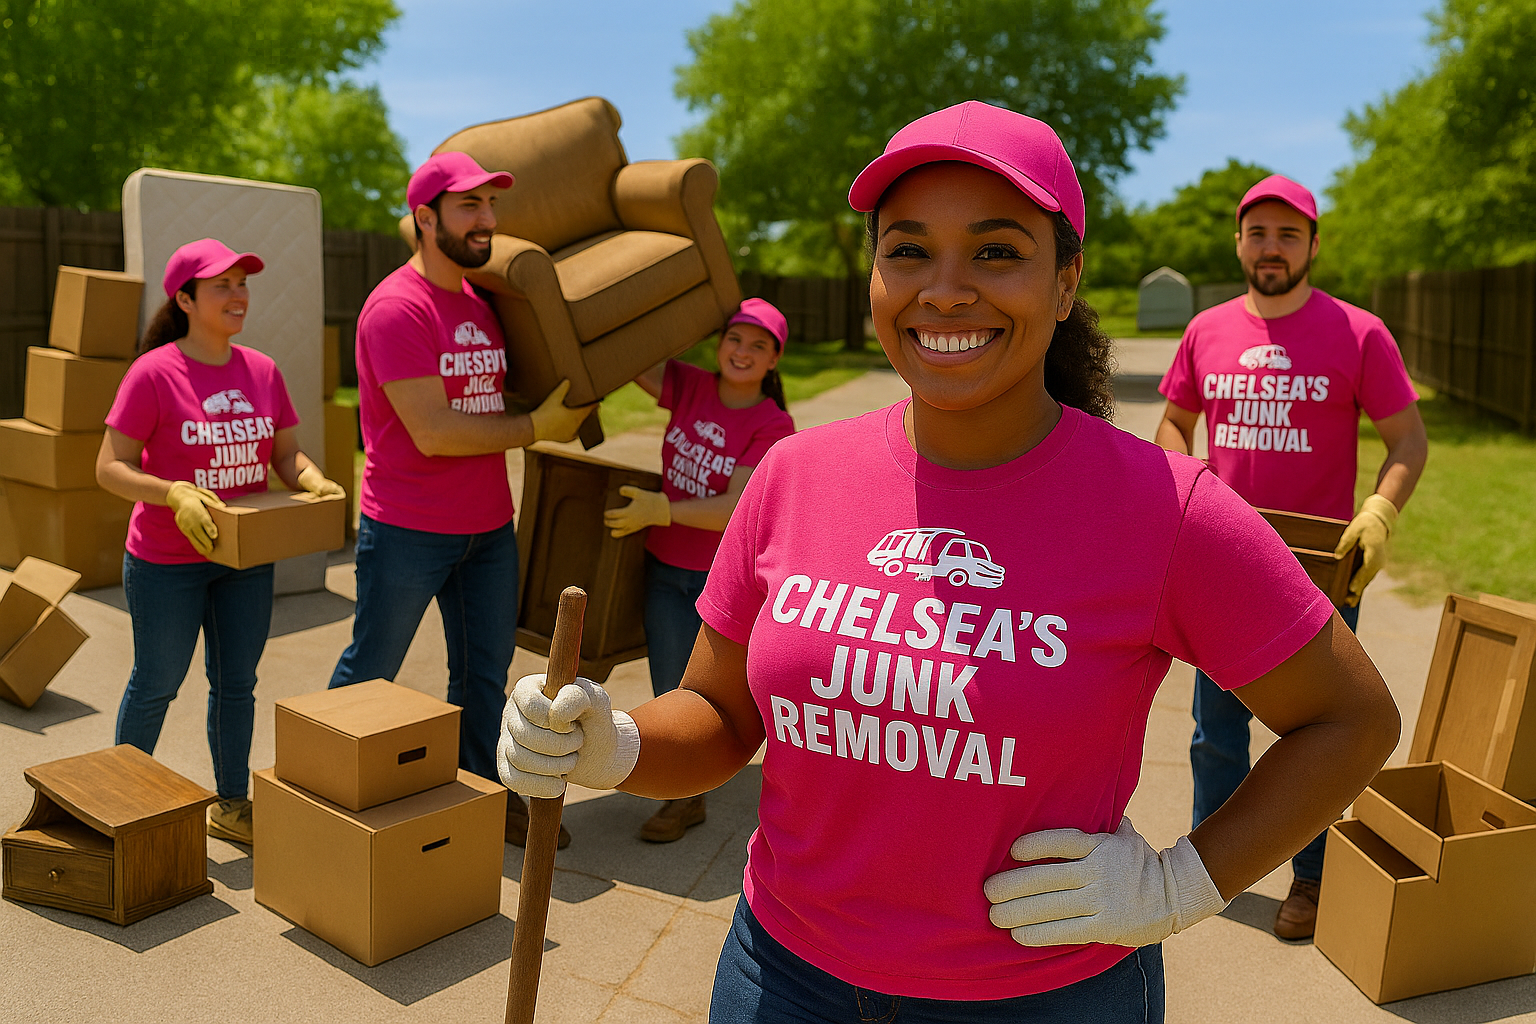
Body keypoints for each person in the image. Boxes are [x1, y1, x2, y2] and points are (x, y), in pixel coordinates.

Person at [498, 102, 1401, 1023]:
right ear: (876, 276)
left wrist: (1183, 884)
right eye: (908, 249)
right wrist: (614, 744)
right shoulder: (793, 475)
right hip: (782, 978)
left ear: (1065, 281)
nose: (945, 289)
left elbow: (1351, 721)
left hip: (1043, 999)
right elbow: (724, 714)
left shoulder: (1167, 509)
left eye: (998, 252)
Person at [1154, 174, 1427, 939]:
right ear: (1239, 242)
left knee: (1317, 734)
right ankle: (1211, 871)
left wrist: (1380, 510)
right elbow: (1174, 423)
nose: (1271, 249)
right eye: (1258, 233)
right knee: (1216, 730)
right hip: (1224, 564)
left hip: (1317, 570)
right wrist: (1187, 482)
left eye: (1288, 235)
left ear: (1312, 245)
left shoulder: (1359, 332)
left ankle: (1310, 879)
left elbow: (1408, 439)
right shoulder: (1206, 331)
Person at [327, 152, 595, 849]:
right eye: (468, 206)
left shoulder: (480, 303)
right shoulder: (396, 308)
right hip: (408, 530)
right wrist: (539, 429)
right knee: (370, 669)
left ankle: (483, 792)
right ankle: (318, 792)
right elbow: (435, 431)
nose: (487, 221)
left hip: (487, 529)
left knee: (482, 674)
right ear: (425, 218)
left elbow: (484, 399)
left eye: (490, 206)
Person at [97, 238, 346, 846]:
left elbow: (285, 453)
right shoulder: (153, 372)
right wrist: (172, 493)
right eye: (222, 287)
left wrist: (310, 477)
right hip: (165, 561)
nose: (238, 297)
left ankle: (231, 803)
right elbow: (110, 467)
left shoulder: (261, 369)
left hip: (243, 557)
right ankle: (113, 808)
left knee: (236, 683)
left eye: (243, 284)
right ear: (185, 299)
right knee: (157, 681)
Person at [603, 298, 796, 841]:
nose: (744, 351)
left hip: (722, 584)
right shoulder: (689, 386)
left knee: (712, 699)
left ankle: (687, 799)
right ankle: (682, 787)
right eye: (736, 338)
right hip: (665, 569)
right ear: (720, 343)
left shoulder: (771, 424)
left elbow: (736, 506)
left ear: (773, 361)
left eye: (759, 346)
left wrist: (661, 509)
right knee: (671, 689)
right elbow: (628, 360)